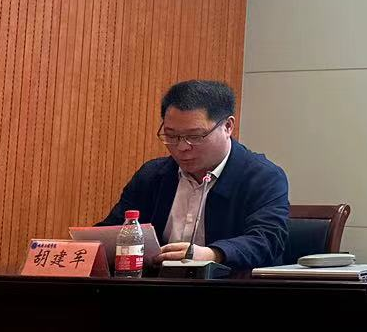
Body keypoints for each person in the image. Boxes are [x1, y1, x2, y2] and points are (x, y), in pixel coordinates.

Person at [101, 79, 289, 272]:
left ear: (228, 126)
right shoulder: (152, 175)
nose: (182, 147)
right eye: (171, 136)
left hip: (233, 287)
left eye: (195, 136)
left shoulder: (263, 177)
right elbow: (111, 232)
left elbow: (267, 240)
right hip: (155, 286)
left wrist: (213, 254)